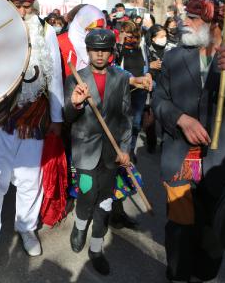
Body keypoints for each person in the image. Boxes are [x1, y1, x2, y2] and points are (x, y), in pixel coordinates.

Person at [152, 0, 225, 283]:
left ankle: (204, 274)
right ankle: (178, 274)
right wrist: (181, 118)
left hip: (221, 165)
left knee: (213, 233)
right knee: (179, 228)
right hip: (180, 159)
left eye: (192, 18)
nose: (183, 23)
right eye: (185, 17)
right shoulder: (174, 57)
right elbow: (158, 100)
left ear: (216, 23)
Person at [0, 0, 64, 269]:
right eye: (17, 5)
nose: (23, 11)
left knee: (29, 180)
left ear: (34, 2)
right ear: (8, 2)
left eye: (27, 4)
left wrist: (56, 117)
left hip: (33, 116)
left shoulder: (46, 31)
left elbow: (55, 77)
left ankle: (26, 228)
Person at [64, 29, 131, 275]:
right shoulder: (76, 77)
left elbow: (125, 118)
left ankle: (96, 246)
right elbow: (67, 116)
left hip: (111, 152)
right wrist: (76, 103)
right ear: (88, 51)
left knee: (105, 198)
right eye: (94, 49)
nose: (99, 54)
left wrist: (125, 149)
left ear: (111, 52)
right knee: (86, 193)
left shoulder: (121, 77)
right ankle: (80, 226)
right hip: (85, 150)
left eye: (104, 49)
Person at [116, 21, 152, 163]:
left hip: (140, 91)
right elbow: (116, 67)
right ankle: (121, 149)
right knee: (123, 121)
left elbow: (146, 66)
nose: (128, 37)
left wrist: (148, 75)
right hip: (123, 89)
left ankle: (131, 149)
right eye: (125, 34)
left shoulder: (141, 47)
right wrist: (118, 44)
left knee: (136, 123)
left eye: (131, 34)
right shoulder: (118, 48)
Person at [144, 24, 175, 153]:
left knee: (165, 117)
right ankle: (151, 142)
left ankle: (164, 143)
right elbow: (140, 65)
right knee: (150, 117)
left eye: (165, 36)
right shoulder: (145, 49)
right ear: (153, 38)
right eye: (161, 36)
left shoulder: (172, 48)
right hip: (150, 87)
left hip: (167, 86)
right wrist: (150, 65)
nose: (164, 38)